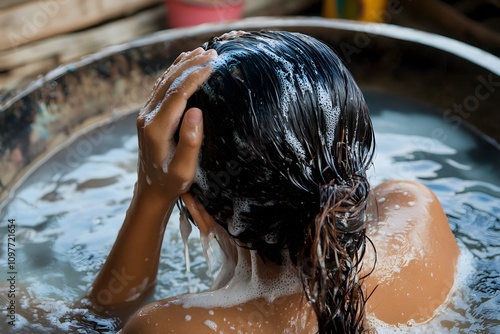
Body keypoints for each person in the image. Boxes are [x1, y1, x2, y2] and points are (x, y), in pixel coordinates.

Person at [86, 30, 459, 333]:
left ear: (200, 213)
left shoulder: (173, 328)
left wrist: (152, 193)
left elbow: (94, 321)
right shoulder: (416, 215)